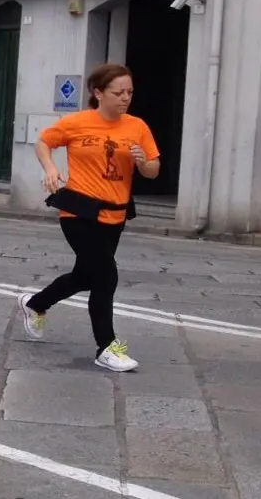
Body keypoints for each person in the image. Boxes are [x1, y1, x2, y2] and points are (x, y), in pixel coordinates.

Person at [17, 64, 158, 373]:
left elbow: (153, 170)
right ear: (98, 93)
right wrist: (51, 169)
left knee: (85, 276)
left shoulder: (137, 127)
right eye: (118, 93)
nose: (125, 98)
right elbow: (44, 142)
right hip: (79, 210)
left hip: (116, 213)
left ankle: (36, 303)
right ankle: (107, 347)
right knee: (106, 276)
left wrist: (144, 162)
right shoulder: (78, 123)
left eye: (130, 93)